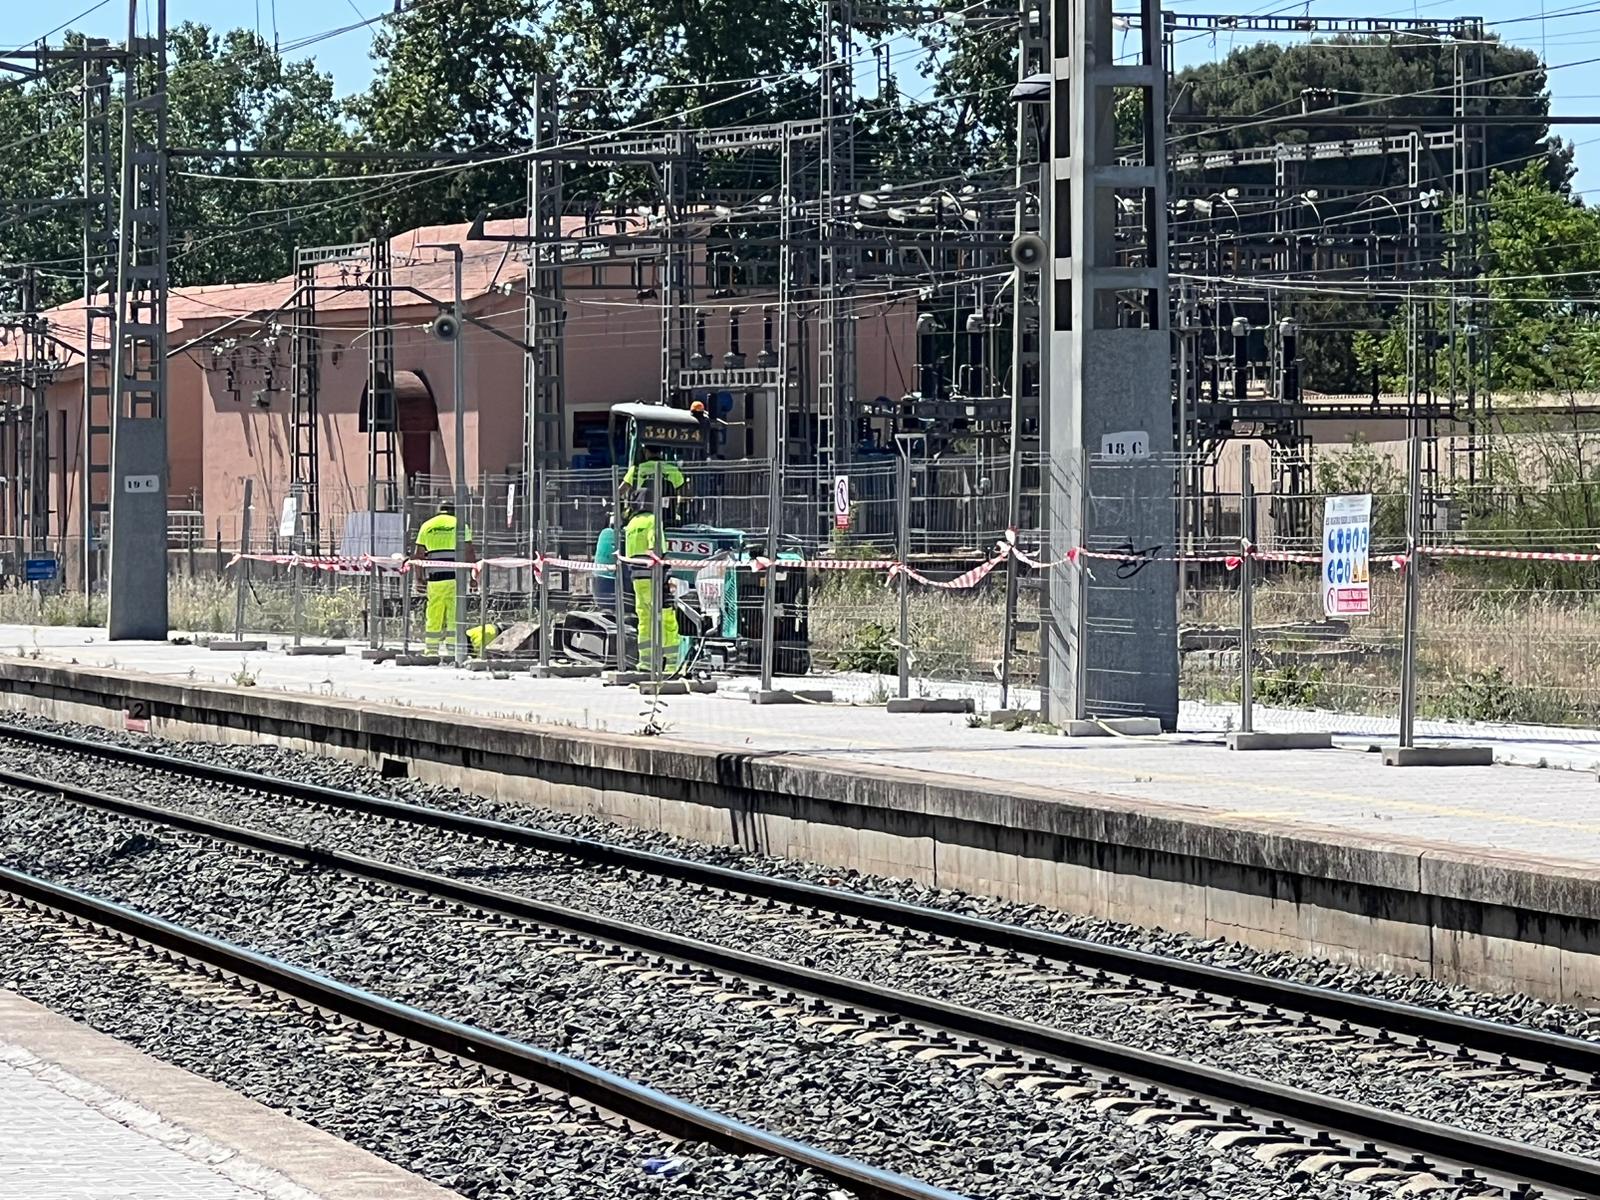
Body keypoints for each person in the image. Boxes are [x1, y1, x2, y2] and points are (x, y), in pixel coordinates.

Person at [622, 478, 680, 671]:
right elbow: (657, 550)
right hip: (654, 576)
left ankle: (645, 662)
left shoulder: (631, 524)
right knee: (666, 617)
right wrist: (667, 575)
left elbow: (629, 554)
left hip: (637, 578)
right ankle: (672, 664)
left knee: (645, 620)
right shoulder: (653, 521)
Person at [414, 499, 475, 657]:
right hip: (456, 578)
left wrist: (418, 578)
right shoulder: (460, 525)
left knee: (433, 613)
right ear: (453, 511)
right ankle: (452, 651)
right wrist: (473, 576)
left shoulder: (427, 526)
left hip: (435, 579)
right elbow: (469, 552)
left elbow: (419, 555)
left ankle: (431, 650)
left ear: (439, 510)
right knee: (454, 615)